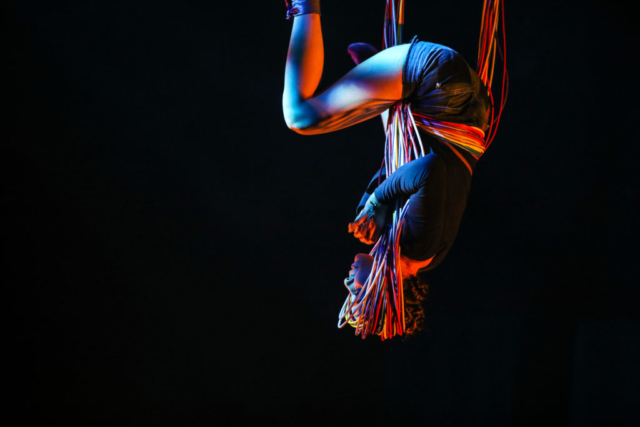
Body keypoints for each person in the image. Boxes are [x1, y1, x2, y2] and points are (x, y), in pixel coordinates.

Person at [283, 0, 491, 334]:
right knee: (299, 116)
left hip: (456, 99)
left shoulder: (418, 253)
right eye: (355, 292)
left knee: (332, 115)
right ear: (383, 289)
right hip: (437, 84)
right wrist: (376, 201)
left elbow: (406, 157)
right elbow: (429, 168)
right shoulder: (418, 246)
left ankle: (378, 79)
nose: (347, 283)